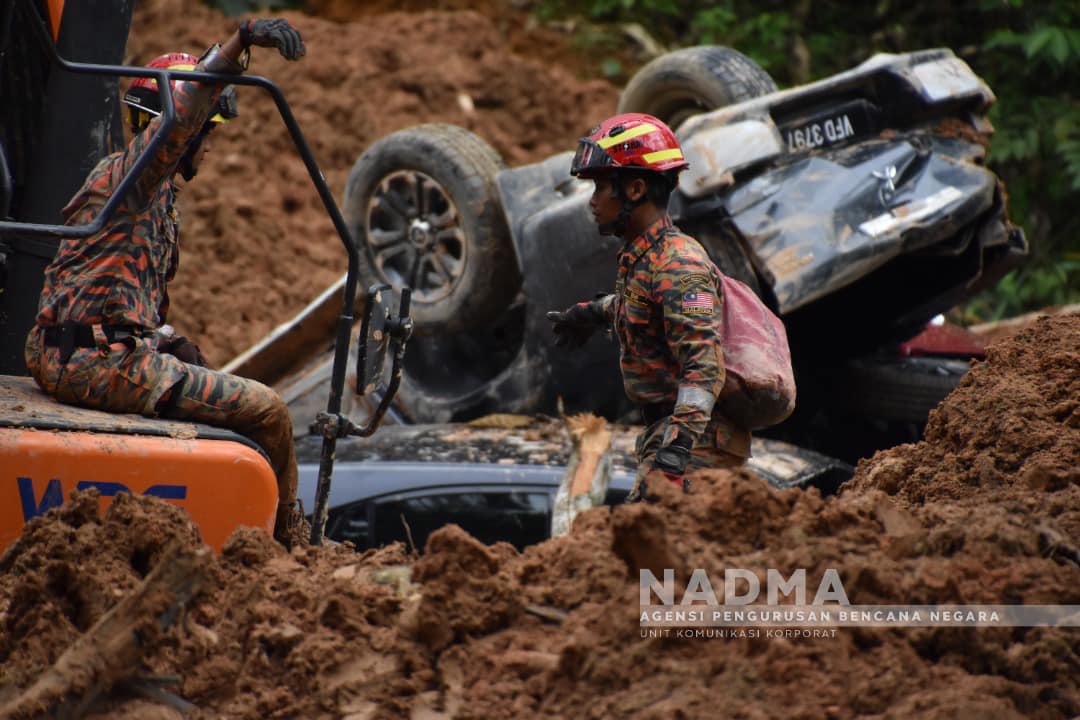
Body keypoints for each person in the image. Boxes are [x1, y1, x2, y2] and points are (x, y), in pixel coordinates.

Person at [24, 18, 307, 544]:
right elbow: (178, 120)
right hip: (96, 363)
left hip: (89, 349)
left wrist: (166, 337)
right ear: (186, 132)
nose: (211, 147)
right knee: (269, 411)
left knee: (217, 386)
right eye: (209, 133)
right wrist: (238, 45)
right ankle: (294, 546)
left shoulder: (149, 196)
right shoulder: (131, 178)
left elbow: (109, 296)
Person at [547, 112, 751, 500]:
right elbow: (645, 308)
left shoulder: (679, 264)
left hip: (696, 448)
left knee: (653, 555)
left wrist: (675, 457)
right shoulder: (647, 258)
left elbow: (704, 368)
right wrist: (591, 313)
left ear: (636, 189)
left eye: (600, 188)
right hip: (678, 439)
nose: (592, 202)